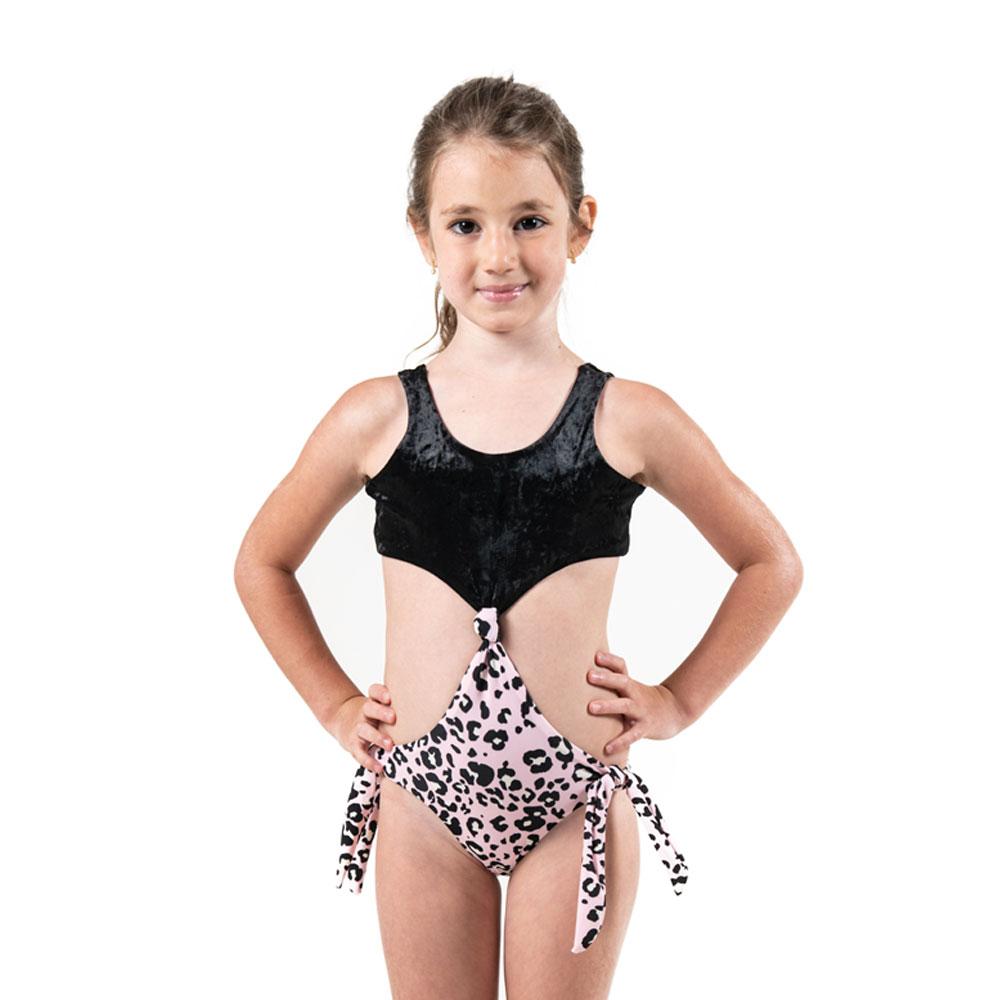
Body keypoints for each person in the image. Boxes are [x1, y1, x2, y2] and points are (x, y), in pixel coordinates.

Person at [234, 74, 803, 1000]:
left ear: (580, 224)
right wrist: (336, 708)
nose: (499, 255)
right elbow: (262, 561)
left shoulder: (628, 417)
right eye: (466, 224)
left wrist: (678, 703)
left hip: (574, 801)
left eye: (529, 220)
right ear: (424, 235)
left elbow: (770, 561)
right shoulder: (376, 416)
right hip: (423, 801)